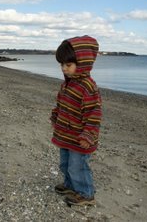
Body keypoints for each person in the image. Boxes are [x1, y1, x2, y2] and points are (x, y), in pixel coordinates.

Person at [50, 35, 102, 206]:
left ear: (83, 64)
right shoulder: (67, 84)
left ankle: (86, 193)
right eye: (62, 65)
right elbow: (61, 104)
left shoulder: (88, 87)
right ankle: (70, 185)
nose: (64, 69)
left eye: (68, 65)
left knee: (77, 166)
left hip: (80, 138)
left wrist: (88, 135)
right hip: (66, 134)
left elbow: (93, 114)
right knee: (65, 163)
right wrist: (55, 116)